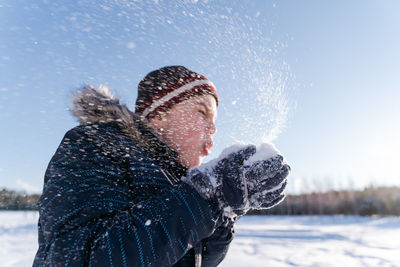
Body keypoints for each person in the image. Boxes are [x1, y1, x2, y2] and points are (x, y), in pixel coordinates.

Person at [33, 66, 290, 267]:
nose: (213, 128)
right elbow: (81, 259)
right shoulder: (96, 144)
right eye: (202, 112)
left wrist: (225, 209)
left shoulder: (178, 183)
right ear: (158, 116)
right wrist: (205, 194)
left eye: (215, 120)